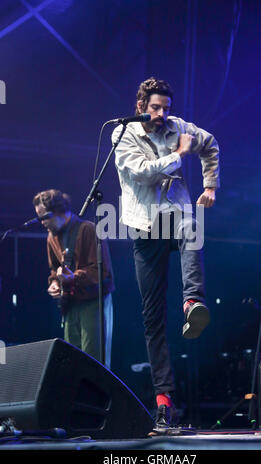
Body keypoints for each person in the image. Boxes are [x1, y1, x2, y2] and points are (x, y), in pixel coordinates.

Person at [112, 77, 220, 427]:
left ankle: (192, 301)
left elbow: (211, 144)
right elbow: (142, 174)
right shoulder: (122, 135)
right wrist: (179, 154)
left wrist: (209, 185)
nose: (162, 114)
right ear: (141, 106)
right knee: (152, 316)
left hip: (176, 213)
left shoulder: (179, 126)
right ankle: (163, 400)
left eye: (166, 108)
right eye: (156, 107)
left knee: (193, 226)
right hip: (144, 224)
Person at [33, 189, 115, 369]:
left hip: (94, 300)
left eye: (45, 217)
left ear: (59, 209)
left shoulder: (88, 229)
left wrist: (73, 277)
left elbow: (102, 272)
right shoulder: (51, 237)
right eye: (39, 218)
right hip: (71, 303)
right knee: (73, 359)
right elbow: (54, 270)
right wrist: (54, 282)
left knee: (94, 359)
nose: (43, 223)